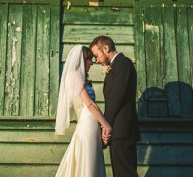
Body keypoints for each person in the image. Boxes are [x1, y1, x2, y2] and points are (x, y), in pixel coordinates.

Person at [55, 45, 112, 177]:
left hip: (91, 124)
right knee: (89, 162)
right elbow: (90, 105)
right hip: (87, 124)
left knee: (91, 161)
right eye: (89, 59)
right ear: (82, 59)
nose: (91, 63)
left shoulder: (79, 77)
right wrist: (106, 125)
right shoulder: (73, 75)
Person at [90, 35, 140, 177]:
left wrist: (106, 125)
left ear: (106, 48)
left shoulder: (123, 63)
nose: (96, 60)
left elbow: (116, 97)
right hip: (118, 130)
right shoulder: (115, 66)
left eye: (96, 55)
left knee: (125, 173)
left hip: (123, 129)